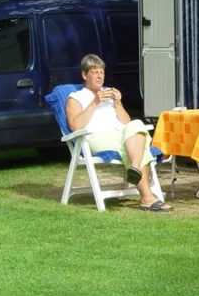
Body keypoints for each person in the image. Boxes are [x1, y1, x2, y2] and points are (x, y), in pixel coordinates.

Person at [66, 54, 172, 212]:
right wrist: (95, 102)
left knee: (137, 124)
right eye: (95, 72)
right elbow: (75, 126)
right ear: (84, 75)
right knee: (140, 148)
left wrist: (117, 103)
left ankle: (135, 170)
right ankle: (146, 197)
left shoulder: (109, 95)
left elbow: (127, 123)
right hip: (95, 137)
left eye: (102, 72)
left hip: (120, 135)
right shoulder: (75, 98)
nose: (100, 75)